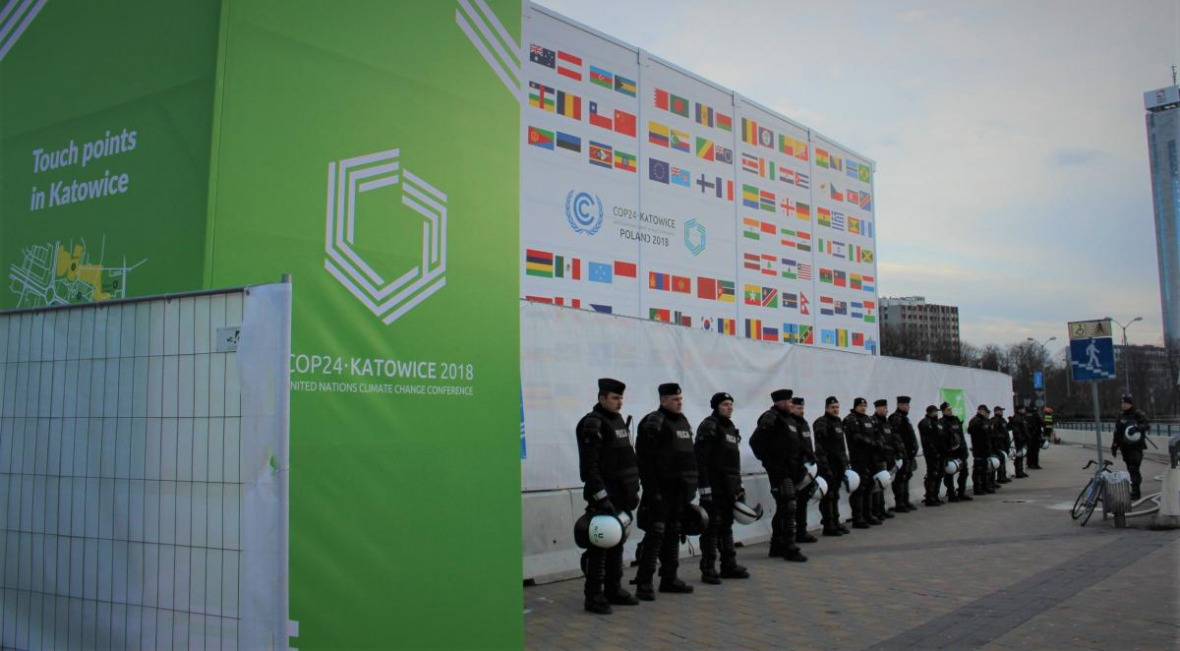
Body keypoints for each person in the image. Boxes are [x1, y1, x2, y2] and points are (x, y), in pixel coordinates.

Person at [575, 378, 642, 614]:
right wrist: (601, 497)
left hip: (622, 496)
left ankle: (614, 589)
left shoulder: (618, 421)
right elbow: (589, 468)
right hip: (604, 497)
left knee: (617, 544)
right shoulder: (593, 423)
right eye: (615, 398)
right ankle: (593, 596)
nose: (619, 402)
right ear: (601, 398)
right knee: (600, 546)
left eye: (621, 398)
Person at [634, 383, 698, 599]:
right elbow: (644, 460)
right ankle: (644, 582)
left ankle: (669, 579)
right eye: (675, 399)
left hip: (680, 490)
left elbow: (689, 457)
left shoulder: (682, 421)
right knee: (656, 535)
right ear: (663, 400)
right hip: (660, 490)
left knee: (673, 533)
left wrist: (691, 487)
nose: (679, 402)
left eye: (680, 398)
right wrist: (652, 491)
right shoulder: (653, 422)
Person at [695, 392, 750, 584]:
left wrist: (739, 486)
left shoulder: (730, 427)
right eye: (725, 404)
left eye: (731, 404)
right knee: (711, 527)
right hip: (714, 487)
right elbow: (700, 460)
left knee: (726, 526)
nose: (729, 408)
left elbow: (734, 461)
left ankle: (729, 565)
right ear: (716, 406)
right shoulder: (710, 426)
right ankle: (708, 568)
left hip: (729, 487)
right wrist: (704, 487)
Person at [749, 389, 809, 562]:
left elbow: (795, 446)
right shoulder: (771, 417)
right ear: (780, 402)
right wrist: (771, 465)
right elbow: (756, 443)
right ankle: (789, 546)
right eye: (789, 401)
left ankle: (777, 545)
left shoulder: (790, 419)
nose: (791, 404)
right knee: (789, 506)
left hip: (792, 471)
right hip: (779, 472)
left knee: (784, 507)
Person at [788, 396, 825, 544]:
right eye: (798, 408)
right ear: (791, 408)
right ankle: (792, 533)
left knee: (803, 501)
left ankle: (802, 532)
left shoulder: (803, 423)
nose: (801, 411)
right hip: (796, 468)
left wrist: (813, 459)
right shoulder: (789, 423)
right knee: (792, 503)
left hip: (808, 468)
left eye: (802, 408)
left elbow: (808, 445)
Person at [813, 396, 852, 535]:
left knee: (835, 494)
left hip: (838, 464)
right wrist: (824, 466)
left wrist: (845, 463)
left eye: (837, 407)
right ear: (826, 408)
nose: (835, 410)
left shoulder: (838, 422)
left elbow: (841, 446)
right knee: (828, 495)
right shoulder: (821, 422)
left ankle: (835, 522)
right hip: (827, 464)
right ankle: (828, 525)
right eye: (832, 407)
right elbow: (820, 446)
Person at [844, 397, 882, 527]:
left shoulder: (868, 419)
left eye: (865, 406)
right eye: (860, 406)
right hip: (858, 458)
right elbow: (856, 437)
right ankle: (858, 518)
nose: (863, 408)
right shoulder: (851, 419)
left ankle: (868, 514)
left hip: (870, 457)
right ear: (855, 406)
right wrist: (871, 443)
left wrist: (879, 442)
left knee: (870, 486)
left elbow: (877, 433)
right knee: (859, 488)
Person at [1111, 395, 1150, 500]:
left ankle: (1136, 490)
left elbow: (1146, 424)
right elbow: (1117, 432)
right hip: (1124, 446)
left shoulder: (1138, 414)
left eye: (1125, 403)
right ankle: (1135, 486)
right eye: (1122, 403)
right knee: (1130, 468)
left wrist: (1137, 428)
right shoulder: (1121, 416)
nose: (1123, 405)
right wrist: (1114, 445)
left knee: (1134, 468)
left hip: (1136, 446)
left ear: (1130, 404)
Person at [888, 396, 919, 512]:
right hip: (901, 454)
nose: (908, 407)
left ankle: (905, 501)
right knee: (900, 479)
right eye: (906, 405)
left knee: (906, 477)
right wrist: (900, 452)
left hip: (909, 454)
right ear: (900, 405)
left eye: (908, 405)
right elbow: (895, 438)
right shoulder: (896, 418)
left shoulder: (905, 418)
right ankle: (899, 503)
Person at [870, 399, 897, 520]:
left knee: (884, 484)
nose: (886, 410)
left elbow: (890, 439)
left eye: (886, 408)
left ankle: (882, 509)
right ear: (877, 408)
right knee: (878, 485)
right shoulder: (874, 421)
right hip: (877, 458)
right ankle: (876, 510)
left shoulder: (886, 422)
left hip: (886, 457)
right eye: (883, 408)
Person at [939, 403, 972, 502]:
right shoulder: (942, 422)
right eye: (948, 409)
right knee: (950, 473)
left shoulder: (956, 420)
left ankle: (961, 492)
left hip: (960, 451)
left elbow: (961, 436)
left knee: (964, 472)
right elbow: (942, 439)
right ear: (944, 411)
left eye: (951, 409)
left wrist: (964, 450)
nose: (950, 411)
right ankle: (951, 493)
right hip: (949, 452)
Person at [917, 405, 945, 506]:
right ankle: (930, 497)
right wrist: (934, 451)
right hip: (931, 453)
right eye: (934, 412)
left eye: (937, 412)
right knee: (932, 474)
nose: (936, 414)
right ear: (930, 412)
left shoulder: (935, 422)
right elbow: (929, 440)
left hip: (939, 452)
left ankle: (935, 495)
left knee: (938, 474)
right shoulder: (925, 423)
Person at [968, 404, 995, 496]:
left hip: (986, 448)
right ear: (980, 411)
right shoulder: (975, 421)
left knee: (985, 469)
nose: (986, 413)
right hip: (978, 448)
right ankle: (977, 488)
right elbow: (972, 432)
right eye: (985, 411)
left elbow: (990, 434)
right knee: (978, 469)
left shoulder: (985, 421)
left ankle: (985, 486)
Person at [991, 406, 1012, 485]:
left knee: (1004, 460)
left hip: (1005, 443)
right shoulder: (994, 421)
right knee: (1000, 461)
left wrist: (1011, 422)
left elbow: (1007, 429)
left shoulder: (1003, 420)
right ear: (996, 412)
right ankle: (1000, 477)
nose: (1001, 412)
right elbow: (994, 433)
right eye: (1000, 411)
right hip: (999, 444)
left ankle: (1003, 476)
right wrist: (1000, 437)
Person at [1010, 405, 1030, 478]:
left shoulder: (1021, 417)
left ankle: (1021, 471)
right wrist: (1020, 438)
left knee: (1021, 456)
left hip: (1022, 439)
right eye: (1023, 409)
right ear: (1019, 410)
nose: (1024, 410)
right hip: (1019, 440)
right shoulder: (1017, 418)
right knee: (1019, 456)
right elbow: (1016, 430)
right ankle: (1018, 472)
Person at [1025, 405, 1045, 469]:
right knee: (1035, 451)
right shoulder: (1035, 415)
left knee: (1029, 450)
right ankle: (1035, 464)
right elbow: (1042, 423)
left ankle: (1029, 463)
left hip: (1027, 435)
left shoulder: (1025, 415)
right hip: (1036, 435)